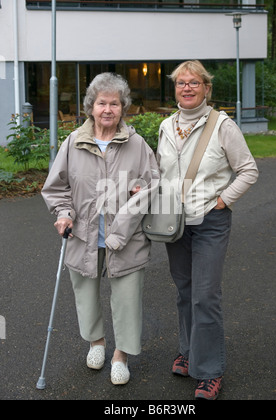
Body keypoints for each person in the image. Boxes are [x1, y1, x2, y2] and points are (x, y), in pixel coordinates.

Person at [42, 72, 159, 385]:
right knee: (86, 295)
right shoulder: (74, 143)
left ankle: (121, 354)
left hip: (128, 237)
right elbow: (56, 187)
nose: (108, 109)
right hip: (83, 235)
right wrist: (64, 213)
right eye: (102, 103)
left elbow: (152, 185)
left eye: (115, 104)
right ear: (91, 107)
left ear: (124, 108)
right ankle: (96, 343)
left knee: (127, 298)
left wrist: (135, 200)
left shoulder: (136, 145)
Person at [156, 60, 259, 400]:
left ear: (206, 88)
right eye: (181, 83)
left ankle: (210, 370)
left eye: (194, 82)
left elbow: (248, 170)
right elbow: (161, 172)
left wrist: (222, 201)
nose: (187, 88)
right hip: (175, 223)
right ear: (175, 89)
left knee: (205, 296)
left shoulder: (222, 126)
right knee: (185, 291)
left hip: (210, 221)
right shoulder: (166, 126)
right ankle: (189, 352)